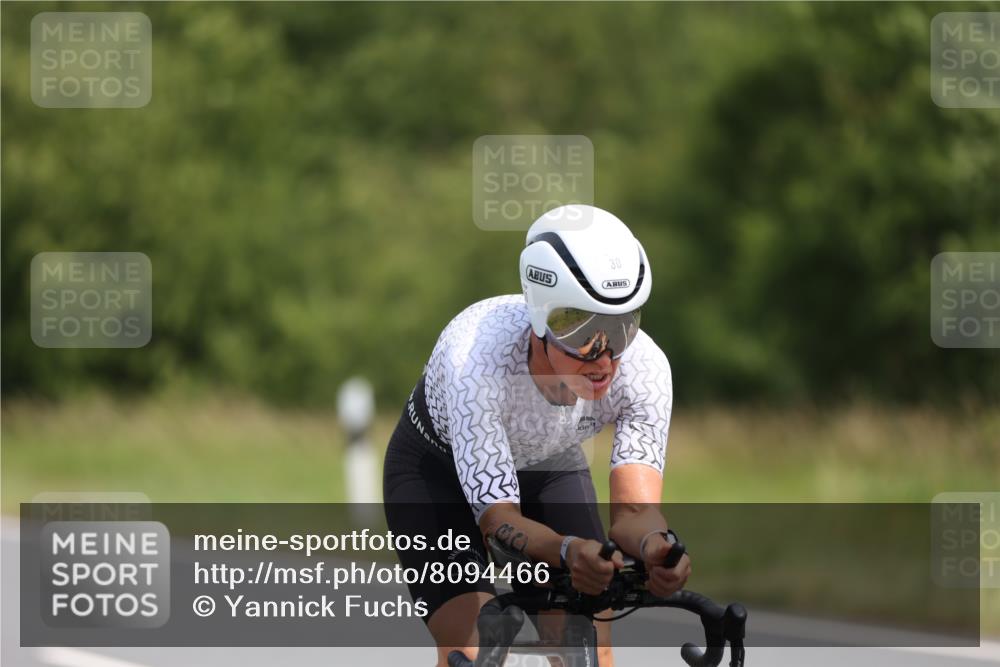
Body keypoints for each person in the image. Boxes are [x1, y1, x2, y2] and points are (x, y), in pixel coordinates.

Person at [383, 205, 691, 667]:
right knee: (472, 647)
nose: (605, 358)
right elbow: (497, 520)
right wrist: (568, 552)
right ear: (542, 319)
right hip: (435, 474)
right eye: (584, 330)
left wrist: (657, 548)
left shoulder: (646, 369)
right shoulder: (476, 360)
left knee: (585, 645)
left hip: (547, 467)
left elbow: (634, 512)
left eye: (621, 327)